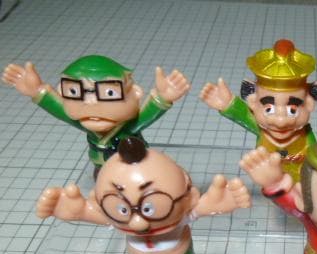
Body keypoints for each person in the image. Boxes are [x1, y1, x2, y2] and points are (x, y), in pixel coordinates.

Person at [36, 137, 250, 254]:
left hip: (176, 250)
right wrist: (80, 211)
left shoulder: (182, 211)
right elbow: (100, 215)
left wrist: (217, 204)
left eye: (149, 208)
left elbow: (197, 210)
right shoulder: (111, 214)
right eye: (123, 210)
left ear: (188, 196)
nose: (138, 223)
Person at [3, 55, 190, 179]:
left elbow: (147, 116)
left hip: (135, 167)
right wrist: (37, 91)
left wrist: (163, 97)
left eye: (109, 93)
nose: (91, 102)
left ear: (135, 93)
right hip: (102, 169)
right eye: (75, 92)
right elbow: (61, 111)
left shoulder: (128, 127)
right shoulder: (86, 123)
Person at [200, 39, 317, 183]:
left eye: (292, 110)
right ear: (252, 101)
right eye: (269, 109)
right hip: (268, 179)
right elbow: (244, 115)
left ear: (310, 102)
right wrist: (228, 103)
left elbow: (315, 157)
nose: (280, 122)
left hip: (301, 180)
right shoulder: (263, 131)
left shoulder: (306, 136)